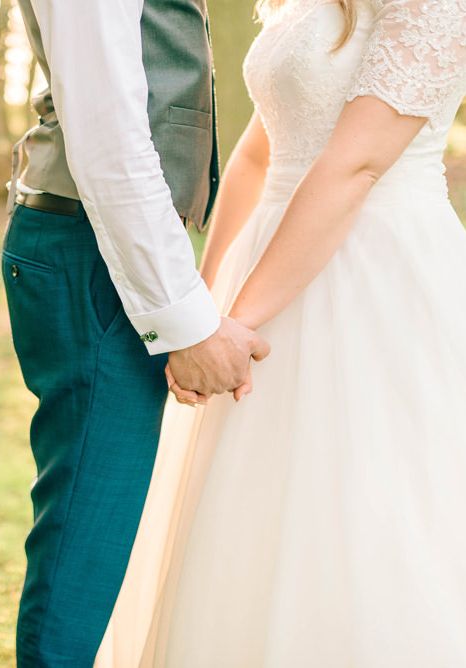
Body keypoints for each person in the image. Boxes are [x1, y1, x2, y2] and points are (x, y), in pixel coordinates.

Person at [95, 0, 466, 665]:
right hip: (263, 262)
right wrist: (205, 311)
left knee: (369, 503)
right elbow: (259, 153)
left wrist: (243, 321)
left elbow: (356, 165)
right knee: (251, 514)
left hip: (375, 270)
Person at [1, 0, 270, 665]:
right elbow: (107, 133)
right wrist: (184, 320)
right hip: (91, 244)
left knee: (97, 526)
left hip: (96, 240)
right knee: (86, 536)